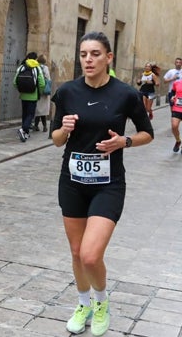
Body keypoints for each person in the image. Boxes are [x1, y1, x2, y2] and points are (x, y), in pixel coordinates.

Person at [51, 31, 153, 336]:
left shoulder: (125, 94)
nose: (88, 60)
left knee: (90, 255)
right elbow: (56, 140)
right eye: (83, 54)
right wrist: (64, 129)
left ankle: (101, 302)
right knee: (75, 251)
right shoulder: (67, 92)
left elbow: (147, 133)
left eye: (95, 54)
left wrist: (124, 141)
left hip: (108, 184)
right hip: (72, 182)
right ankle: (83, 303)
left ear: (109, 58)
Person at [14, 51, 45, 142]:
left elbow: (14, 82)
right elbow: (42, 83)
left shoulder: (21, 67)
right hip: (33, 95)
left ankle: (25, 133)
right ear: (36, 59)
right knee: (30, 114)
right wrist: (39, 92)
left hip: (23, 95)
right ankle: (24, 129)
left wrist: (22, 89)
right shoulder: (37, 68)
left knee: (25, 114)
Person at [33, 54, 52, 132]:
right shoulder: (45, 68)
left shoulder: (35, 67)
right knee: (43, 110)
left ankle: (36, 126)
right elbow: (48, 78)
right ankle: (44, 126)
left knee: (38, 110)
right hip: (44, 91)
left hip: (37, 90)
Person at [170, 78, 182, 153]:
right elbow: (172, 92)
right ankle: (178, 141)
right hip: (177, 107)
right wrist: (172, 96)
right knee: (174, 126)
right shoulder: (177, 83)